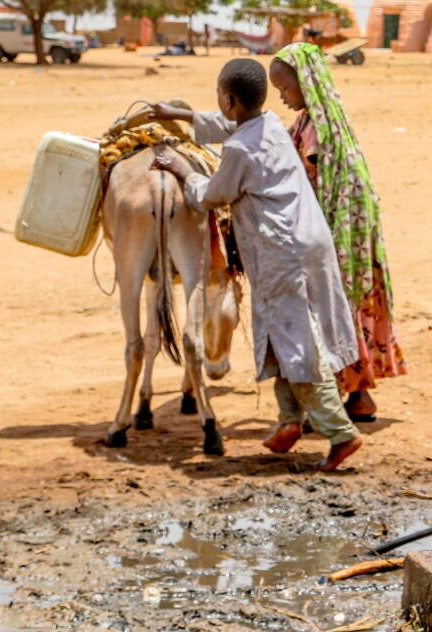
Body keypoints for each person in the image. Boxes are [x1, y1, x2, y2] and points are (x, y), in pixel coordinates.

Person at [144, 59, 363, 471]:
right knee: (289, 332)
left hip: (281, 252)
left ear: (228, 100)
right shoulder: (272, 126)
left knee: (299, 342)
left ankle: (340, 432)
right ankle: (289, 422)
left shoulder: (240, 150)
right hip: (308, 239)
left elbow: (212, 194)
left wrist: (181, 168)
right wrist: (182, 115)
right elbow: (233, 127)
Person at [269, 42, 407, 423]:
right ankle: (359, 398)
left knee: (331, 306)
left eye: (285, 89)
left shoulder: (317, 129)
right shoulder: (317, 119)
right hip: (355, 227)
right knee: (347, 302)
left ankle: (331, 405)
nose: (283, 97)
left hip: (340, 229)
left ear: (306, 83)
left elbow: (308, 183)